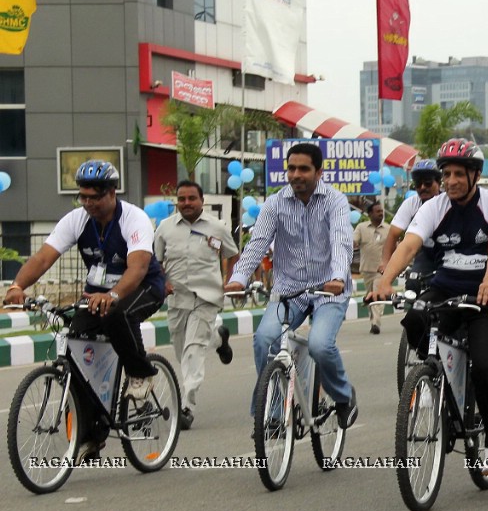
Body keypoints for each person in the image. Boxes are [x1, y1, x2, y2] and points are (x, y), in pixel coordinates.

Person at [369, 138, 488, 472]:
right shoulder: (434, 206)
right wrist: (386, 281)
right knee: (414, 323)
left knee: (483, 366)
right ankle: (436, 378)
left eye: (458, 174)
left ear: (475, 176)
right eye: (446, 174)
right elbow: (409, 245)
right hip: (445, 288)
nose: (450, 181)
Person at [3, 160, 165, 460]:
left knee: (118, 314)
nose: (88, 203)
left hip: (143, 286)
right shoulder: (76, 220)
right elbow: (42, 258)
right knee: (76, 346)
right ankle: (90, 435)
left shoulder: (134, 218)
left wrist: (114, 294)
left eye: (95, 197)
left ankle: (140, 372)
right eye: (83, 196)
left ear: (113, 192)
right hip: (98, 293)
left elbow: (139, 266)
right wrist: (17, 286)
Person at [224, 142, 359, 430]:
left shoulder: (335, 201)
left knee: (320, 346)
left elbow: (341, 242)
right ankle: (272, 412)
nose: (296, 174)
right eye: (291, 168)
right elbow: (258, 243)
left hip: (328, 290)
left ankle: (344, 396)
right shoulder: (275, 203)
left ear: (319, 172)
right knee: (265, 339)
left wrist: (337, 276)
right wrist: (239, 277)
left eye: (304, 169)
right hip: (290, 290)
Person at [154, 180, 238, 430]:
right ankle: (219, 339)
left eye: (192, 198)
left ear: (202, 201)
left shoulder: (217, 227)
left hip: (207, 297)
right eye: (182, 199)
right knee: (183, 351)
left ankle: (187, 407)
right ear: (176, 202)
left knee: (193, 350)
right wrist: (163, 281)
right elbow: (156, 261)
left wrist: (230, 280)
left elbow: (232, 255)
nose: (186, 203)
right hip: (177, 299)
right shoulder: (164, 228)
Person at [383, 159, 442, 280]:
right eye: (417, 184)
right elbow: (393, 234)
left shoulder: (449, 202)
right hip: (426, 254)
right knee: (413, 281)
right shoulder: (410, 203)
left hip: (449, 253)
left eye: (428, 183)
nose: (422, 187)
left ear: (439, 183)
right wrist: (385, 263)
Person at [353, 201, 389, 334]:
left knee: (377, 295)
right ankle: (373, 319)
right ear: (370, 214)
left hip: (382, 270)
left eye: (381, 211)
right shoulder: (361, 227)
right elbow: (354, 240)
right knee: (370, 296)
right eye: (378, 211)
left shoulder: (388, 228)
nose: (381, 213)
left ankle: (376, 323)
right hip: (367, 269)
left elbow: (393, 247)